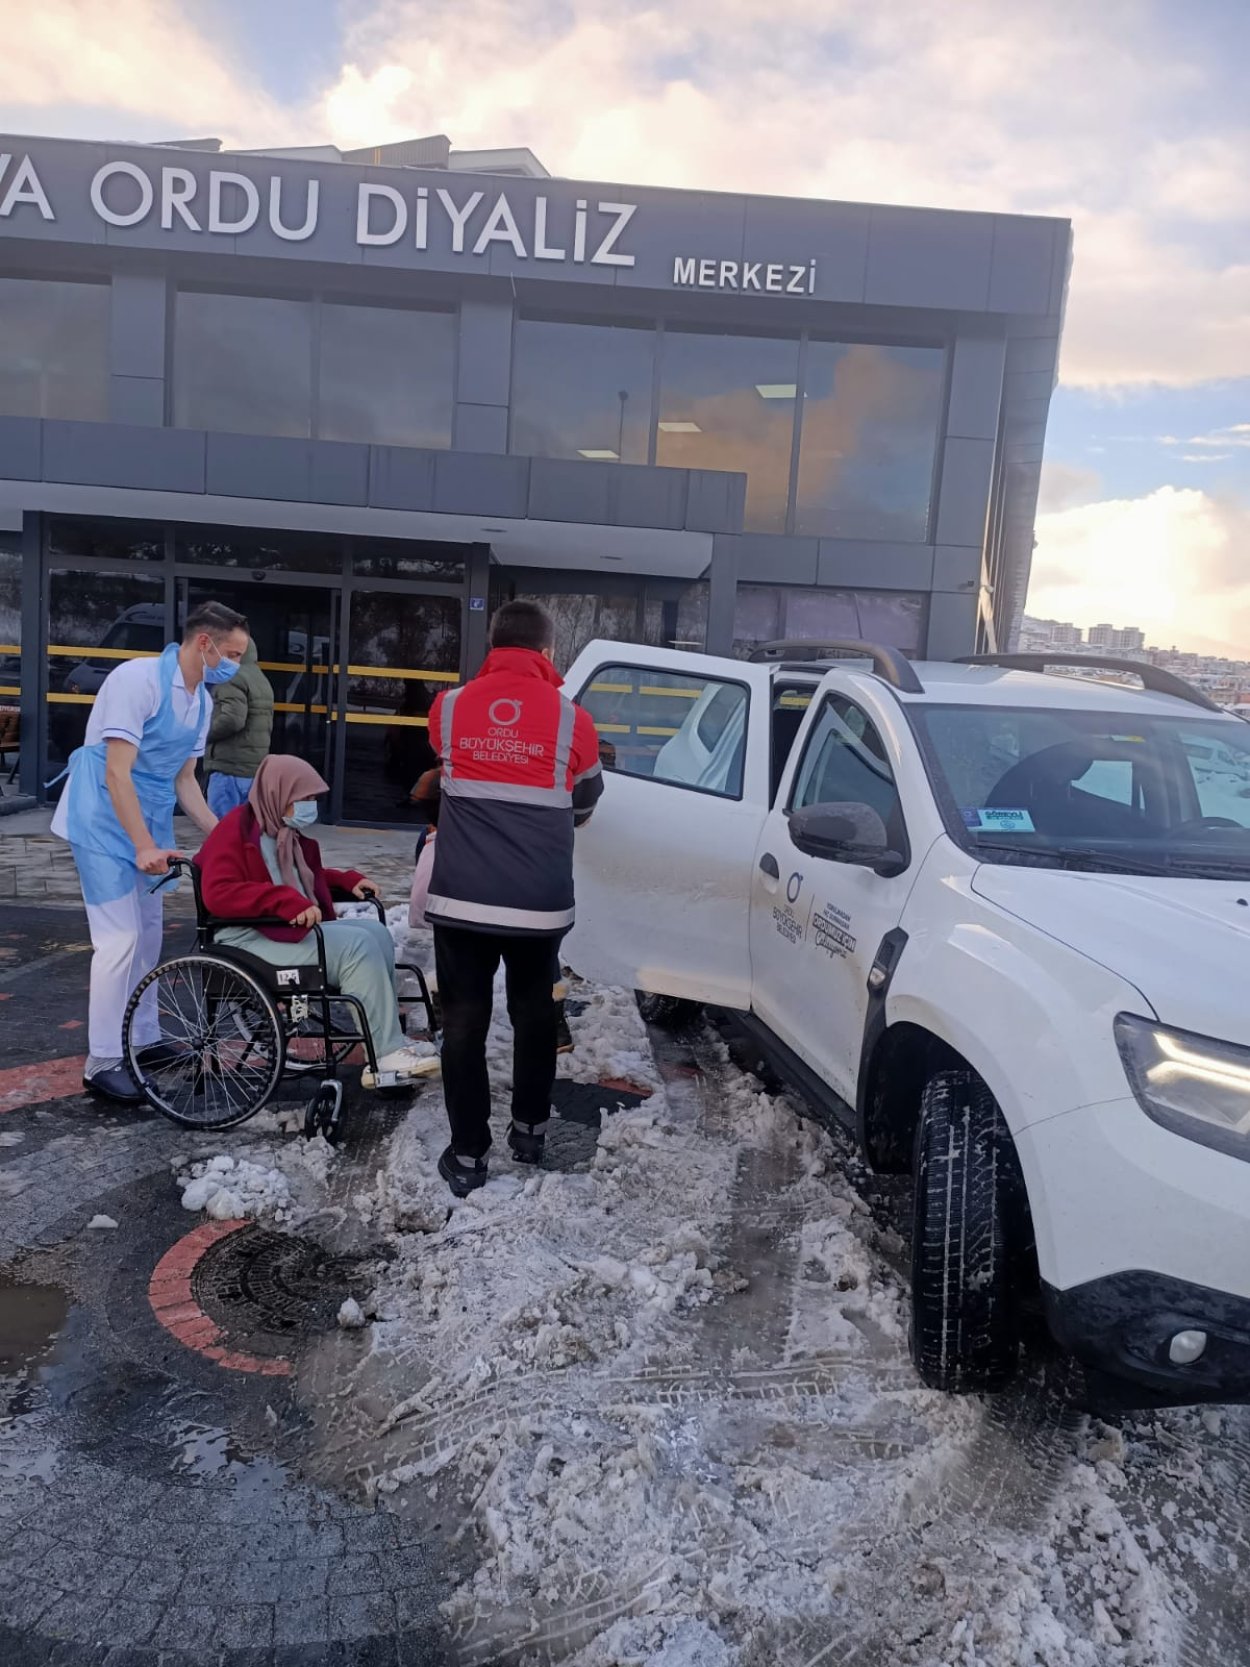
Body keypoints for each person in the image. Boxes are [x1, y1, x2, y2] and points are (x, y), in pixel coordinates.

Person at [425, 600, 603, 1195]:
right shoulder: (574, 719)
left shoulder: (448, 708)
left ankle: (468, 1156)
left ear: (492, 645)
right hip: (537, 904)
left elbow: (447, 771)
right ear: (548, 652)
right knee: (534, 1016)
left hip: (463, 902)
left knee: (463, 1023)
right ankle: (529, 1133)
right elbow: (585, 800)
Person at [50, 601, 246, 1103]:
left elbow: (185, 781)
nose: (235, 665)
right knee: (120, 939)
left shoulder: (200, 702)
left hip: (149, 823)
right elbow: (117, 773)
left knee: (149, 936)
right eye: (232, 654)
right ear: (204, 642)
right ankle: (102, 1061)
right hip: (101, 817)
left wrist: (224, 835)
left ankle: (142, 1038)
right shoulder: (137, 680)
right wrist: (141, 845)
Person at [196, 754, 439, 1088]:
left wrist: (344, 881)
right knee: (356, 946)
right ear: (279, 792)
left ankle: (387, 1040)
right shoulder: (236, 830)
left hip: (279, 930)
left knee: (376, 932)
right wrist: (283, 901)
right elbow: (219, 893)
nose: (310, 806)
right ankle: (385, 1054)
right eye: (304, 798)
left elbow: (301, 877)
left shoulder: (283, 832)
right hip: (247, 938)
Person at [408, 766, 574, 1054]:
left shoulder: (440, 830)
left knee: (462, 968)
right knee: (535, 968)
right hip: (529, 878)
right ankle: (552, 1028)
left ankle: (450, 1026)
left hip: (470, 890)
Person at [203, 638, 275, 816]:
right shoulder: (260, 678)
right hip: (252, 769)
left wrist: (202, 733)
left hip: (229, 767)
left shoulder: (231, 676)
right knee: (245, 828)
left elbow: (232, 719)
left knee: (221, 827)